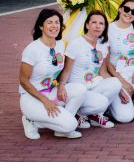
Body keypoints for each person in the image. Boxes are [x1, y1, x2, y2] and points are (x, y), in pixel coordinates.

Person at [19, 9, 85, 139]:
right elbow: (23, 81)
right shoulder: (32, 49)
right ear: (41, 26)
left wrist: (61, 85)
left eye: (57, 22)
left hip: (51, 91)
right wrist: (45, 101)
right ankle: (31, 120)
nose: (54, 26)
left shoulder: (60, 44)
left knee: (80, 89)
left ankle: (60, 126)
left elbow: (60, 71)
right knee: (71, 125)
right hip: (31, 97)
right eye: (49, 22)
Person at [58, 10, 121, 129]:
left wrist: (120, 90)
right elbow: (66, 70)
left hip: (93, 85)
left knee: (116, 83)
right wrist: (61, 86)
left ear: (104, 27)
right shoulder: (75, 43)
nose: (98, 26)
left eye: (101, 23)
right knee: (101, 102)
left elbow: (103, 72)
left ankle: (95, 116)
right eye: (94, 22)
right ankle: (77, 112)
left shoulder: (103, 45)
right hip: (78, 89)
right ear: (87, 25)